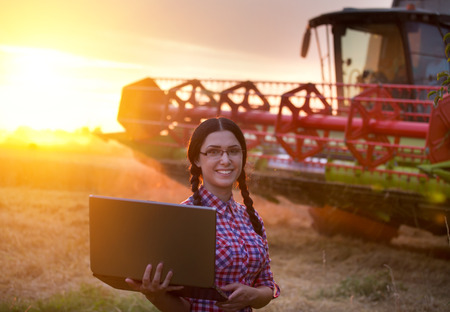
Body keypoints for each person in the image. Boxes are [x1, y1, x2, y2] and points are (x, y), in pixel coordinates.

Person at [126, 117, 280, 311]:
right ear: (197, 159)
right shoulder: (182, 219)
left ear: (242, 157)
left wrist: (254, 295)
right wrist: (156, 296)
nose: (226, 160)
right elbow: (183, 306)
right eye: (214, 152)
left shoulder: (251, 217)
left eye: (233, 151)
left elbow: (267, 285)